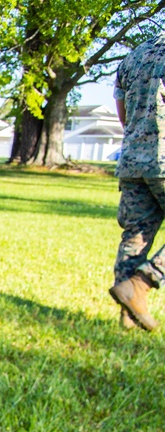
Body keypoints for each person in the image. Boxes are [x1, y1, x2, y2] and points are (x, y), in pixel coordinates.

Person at [108, 31, 165, 332]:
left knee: (136, 234)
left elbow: (123, 113)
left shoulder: (134, 56)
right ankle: (142, 283)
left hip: (132, 158)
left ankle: (128, 317)